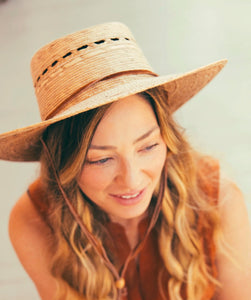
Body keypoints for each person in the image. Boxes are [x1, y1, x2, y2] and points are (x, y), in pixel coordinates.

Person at [0, 22, 250, 300]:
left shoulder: (218, 199)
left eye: (148, 146)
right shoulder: (34, 219)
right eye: (101, 159)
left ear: (167, 138)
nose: (131, 180)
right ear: (62, 164)